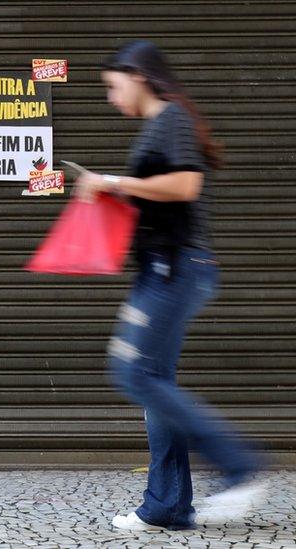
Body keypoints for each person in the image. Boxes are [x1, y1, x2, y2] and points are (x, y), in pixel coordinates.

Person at [73, 40, 266, 531]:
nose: (112, 99)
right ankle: (167, 505)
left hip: (177, 268)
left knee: (134, 374)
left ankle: (239, 465)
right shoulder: (159, 127)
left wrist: (115, 182)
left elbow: (186, 186)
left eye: (113, 87)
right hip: (163, 266)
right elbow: (157, 201)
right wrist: (105, 192)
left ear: (138, 76)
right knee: (152, 381)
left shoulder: (171, 118)